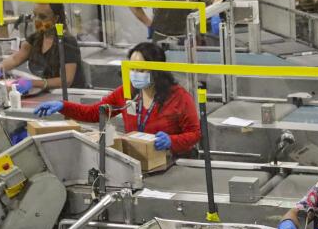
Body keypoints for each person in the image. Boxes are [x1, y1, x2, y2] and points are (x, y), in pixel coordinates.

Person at [33, 41, 200, 158]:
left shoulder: (178, 97)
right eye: (132, 69)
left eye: (141, 70)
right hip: (138, 161)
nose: (135, 75)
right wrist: (63, 106)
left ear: (158, 70)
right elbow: (94, 113)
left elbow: (195, 134)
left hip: (172, 162)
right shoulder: (127, 92)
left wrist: (172, 141)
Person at [0, 0, 85, 94]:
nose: (37, 20)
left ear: (56, 18)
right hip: (50, 94)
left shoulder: (66, 41)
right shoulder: (35, 39)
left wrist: (33, 83)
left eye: (42, 17)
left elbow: (66, 81)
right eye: (35, 15)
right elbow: (15, 59)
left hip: (72, 95)